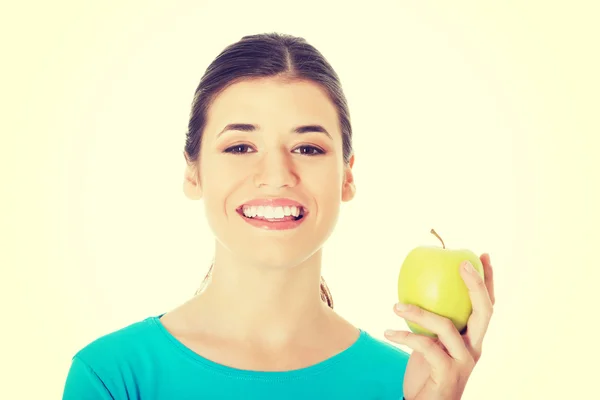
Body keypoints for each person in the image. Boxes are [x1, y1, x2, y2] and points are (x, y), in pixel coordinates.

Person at [62, 32, 495, 400]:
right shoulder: (113, 376)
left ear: (346, 176)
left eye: (308, 148)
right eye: (239, 147)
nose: (275, 176)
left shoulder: (412, 383)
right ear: (193, 173)